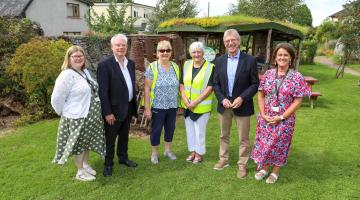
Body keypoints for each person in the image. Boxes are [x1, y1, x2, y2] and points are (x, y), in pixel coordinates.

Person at [251, 43, 310, 184]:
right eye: (280, 55)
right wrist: (263, 114)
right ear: (275, 58)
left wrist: (282, 116)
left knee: (280, 145)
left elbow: (297, 101)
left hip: (285, 119)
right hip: (267, 118)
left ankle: (275, 171)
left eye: (286, 55)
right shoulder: (268, 74)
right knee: (265, 144)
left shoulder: (296, 77)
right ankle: (264, 168)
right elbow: (260, 95)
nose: (282, 57)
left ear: (291, 58)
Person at [51, 45, 106, 181]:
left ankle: (86, 165)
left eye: (81, 55)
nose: (78, 58)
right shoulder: (66, 75)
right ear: (68, 59)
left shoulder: (84, 72)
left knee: (86, 142)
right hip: (77, 116)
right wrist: (63, 112)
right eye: (75, 56)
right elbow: (56, 98)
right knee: (79, 144)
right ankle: (80, 171)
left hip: (90, 115)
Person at [212, 29, 259, 179]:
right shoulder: (219, 61)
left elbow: (255, 84)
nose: (230, 43)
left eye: (233, 40)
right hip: (224, 105)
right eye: (227, 41)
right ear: (225, 43)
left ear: (239, 41)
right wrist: (222, 99)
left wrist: (242, 98)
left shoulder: (250, 60)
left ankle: (242, 165)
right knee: (223, 135)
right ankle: (223, 160)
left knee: (243, 138)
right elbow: (215, 84)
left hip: (242, 105)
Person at [97, 34, 138, 177]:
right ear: (112, 47)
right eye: (118, 45)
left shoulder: (130, 63)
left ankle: (123, 158)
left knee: (124, 136)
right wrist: (107, 112)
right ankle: (108, 164)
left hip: (128, 107)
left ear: (127, 47)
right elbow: (103, 91)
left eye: (123, 45)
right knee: (110, 139)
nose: (121, 47)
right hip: (113, 111)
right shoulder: (104, 65)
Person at [144, 40, 180, 164]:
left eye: (167, 50)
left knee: (170, 129)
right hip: (157, 106)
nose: (165, 53)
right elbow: (147, 88)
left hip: (172, 105)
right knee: (156, 130)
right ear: (157, 53)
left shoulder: (175, 67)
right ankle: (154, 153)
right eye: (162, 50)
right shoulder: (152, 67)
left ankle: (168, 150)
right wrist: (147, 108)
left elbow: (179, 85)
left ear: (171, 52)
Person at [179, 41, 214, 164]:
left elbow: (210, 87)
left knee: (200, 131)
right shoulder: (187, 64)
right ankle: (193, 151)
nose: (197, 54)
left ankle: (199, 153)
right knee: (190, 130)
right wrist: (184, 98)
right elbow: (181, 83)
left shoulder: (210, 67)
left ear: (203, 53)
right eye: (194, 52)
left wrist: (195, 102)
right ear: (190, 53)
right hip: (187, 105)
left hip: (201, 106)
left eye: (199, 52)